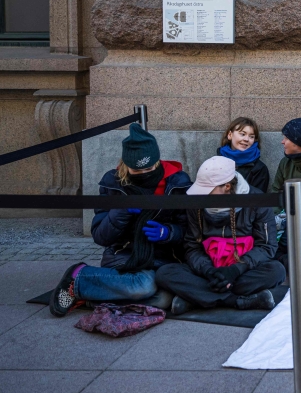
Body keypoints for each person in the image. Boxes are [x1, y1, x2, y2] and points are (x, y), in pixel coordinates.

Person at [49, 124, 192, 317]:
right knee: (144, 287)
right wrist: (121, 211)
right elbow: (100, 236)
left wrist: (167, 233)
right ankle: (79, 277)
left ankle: (93, 297)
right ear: (126, 165)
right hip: (124, 256)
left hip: (163, 258)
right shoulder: (112, 183)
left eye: (149, 168)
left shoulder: (177, 183)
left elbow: (189, 231)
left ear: (157, 161)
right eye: (136, 170)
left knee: (162, 299)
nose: (144, 174)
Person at [155, 156, 285, 314]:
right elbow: (192, 246)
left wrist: (235, 270)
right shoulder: (195, 204)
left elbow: (266, 246)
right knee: (165, 273)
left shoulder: (256, 200)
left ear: (227, 186)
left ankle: (197, 298)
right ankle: (235, 300)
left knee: (277, 270)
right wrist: (208, 271)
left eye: (207, 189)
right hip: (208, 270)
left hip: (242, 270)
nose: (202, 194)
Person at [217, 116, 269, 192]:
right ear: (230, 135)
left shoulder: (259, 169)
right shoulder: (216, 162)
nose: (246, 139)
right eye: (242, 134)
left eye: (251, 136)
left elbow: (258, 199)